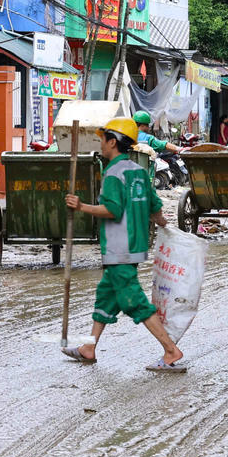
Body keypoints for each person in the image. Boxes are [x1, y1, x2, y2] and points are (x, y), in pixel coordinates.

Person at [62, 118, 184, 372]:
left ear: (113, 142)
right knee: (106, 297)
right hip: (134, 246)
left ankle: (171, 351)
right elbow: (156, 208)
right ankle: (89, 348)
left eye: (102, 140)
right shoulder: (139, 171)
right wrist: (165, 227)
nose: (101, 145)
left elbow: (112, 210)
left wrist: (81, 206)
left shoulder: (113, 174)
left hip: (119, 249)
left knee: (134, 301)